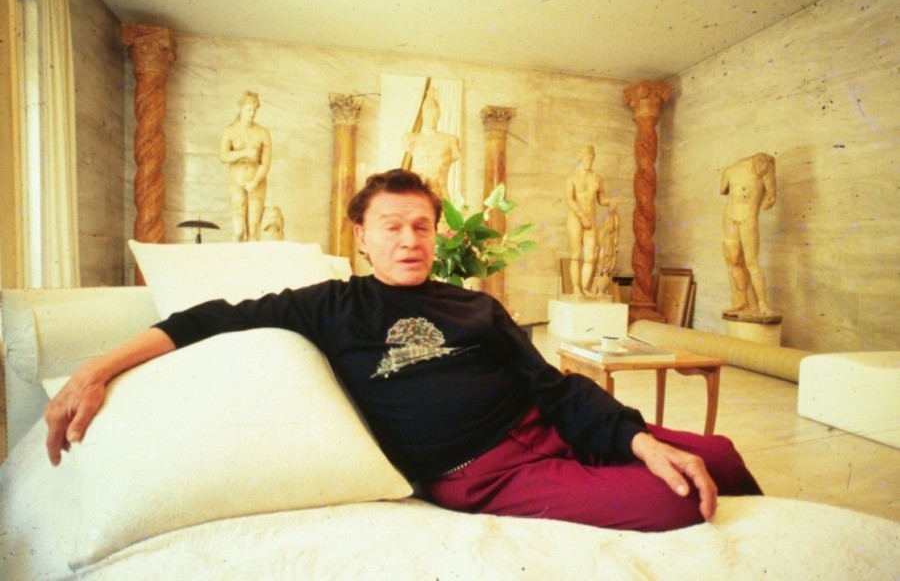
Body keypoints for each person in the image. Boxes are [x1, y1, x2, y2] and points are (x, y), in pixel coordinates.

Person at [45, 169, 761, 533]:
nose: (409, 240)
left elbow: (552, 385)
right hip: (482, 473)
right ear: (361, 235)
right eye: (391, 226)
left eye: (421, 226)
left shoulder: (475, 303)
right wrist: (96, 369)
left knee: (719, 456)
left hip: (549, 427)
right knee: (673, 501)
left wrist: (635, 439)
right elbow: (207, 318)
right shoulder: (329, 305)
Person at [720, 152, 777, 316]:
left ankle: (763, 304)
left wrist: (762, 198)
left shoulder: (763, 164)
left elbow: (770, 197)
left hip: (748, 217)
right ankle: (742, 301)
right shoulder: (729, 170)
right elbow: (723, 189)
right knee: (734, 261)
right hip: (730, 216)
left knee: (751, 262)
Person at [220, 91, 272, 242]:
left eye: (255, 110)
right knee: (238, 230)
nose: (252, 113)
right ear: (241, 108)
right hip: (236, 180)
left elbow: (266, 163)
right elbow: (223, 156)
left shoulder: (262, 133)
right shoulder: (230, 130)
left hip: (257, 181)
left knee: (253, 230)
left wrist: (254, 181)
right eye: (249, 109)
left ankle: (252, 258)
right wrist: (244, 153)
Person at [565, 145, 616, 297]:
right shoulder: (572, 177)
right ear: (580, 158)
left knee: (590, 257)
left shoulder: (597, 178)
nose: (589, 161)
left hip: (591, 220)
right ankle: (576, 288)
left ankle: (584, 288)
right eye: (586, 158)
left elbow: (601, 199)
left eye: (591, 158)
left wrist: (610, 201)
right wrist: (581, 216)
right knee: (576, 254)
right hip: (576, 218)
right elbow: (569, 199)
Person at [403, 87, 460, 201]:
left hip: (441, 194)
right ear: (423, 115)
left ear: (439, 115)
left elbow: (455, 155)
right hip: (417, 194)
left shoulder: (450, 140)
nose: (433, 117)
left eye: (436, 114)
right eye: (429, 113)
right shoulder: (411, 138)